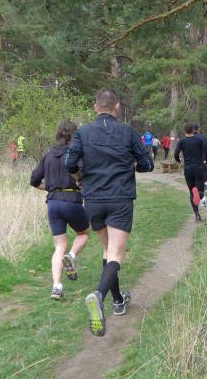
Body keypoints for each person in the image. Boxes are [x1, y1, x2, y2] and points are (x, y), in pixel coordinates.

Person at [63, 88, 154, 337]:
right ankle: (99, 296)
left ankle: (118, 301)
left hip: (93, 199)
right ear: (117, 107)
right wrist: (130, 165)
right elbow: (147, 164)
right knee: (115, 253)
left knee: (107, 250)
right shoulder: (128, 132)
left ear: (96, 107)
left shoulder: (82, 133)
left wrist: (80, 176)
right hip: (120, 198)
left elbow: (69, 163)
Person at [30, 121, 90, 300]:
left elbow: (34, 180)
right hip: (72, 200)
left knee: (59, 246)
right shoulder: (75, 154)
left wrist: (50, 187)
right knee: (84, 233)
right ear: (75, 135)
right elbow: (83, 176)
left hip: (53, 203)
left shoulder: (48, 154)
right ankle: (71, 256)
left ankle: (57, 287)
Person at [175, 123, 207, 222]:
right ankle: (198, 193)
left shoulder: (182, 142)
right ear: (194, 130)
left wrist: (178, 160)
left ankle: (197, 215)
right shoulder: (199, 140)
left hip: (188, 169)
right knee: (201, 190)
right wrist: (205, 160)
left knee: (191, 192)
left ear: (184, 131)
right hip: (199, 167)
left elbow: (176, 154)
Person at [193, 123, 207, 199]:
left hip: (192, 163)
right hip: (202, 162)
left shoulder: (189, 139)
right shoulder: (203, 138)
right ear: (199, 129)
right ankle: (206, 197)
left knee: (194, 181)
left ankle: (197, 195)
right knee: (205, 180)